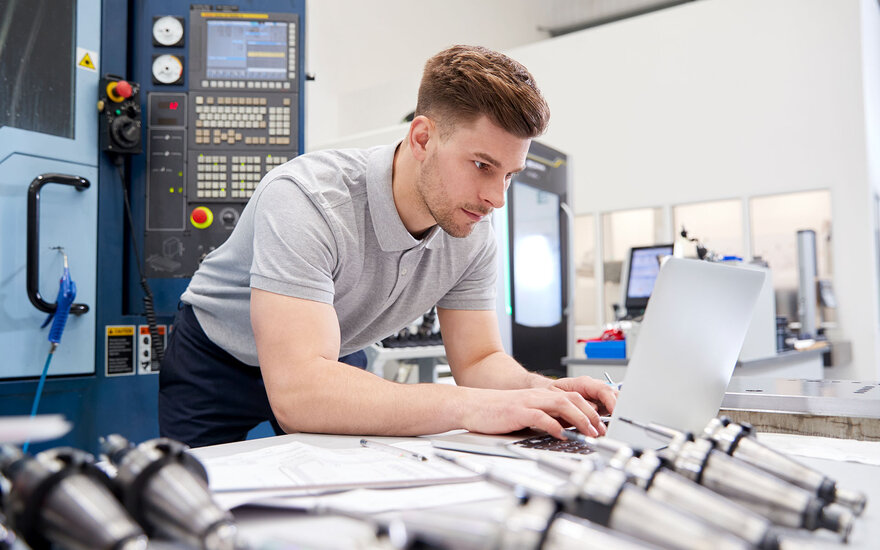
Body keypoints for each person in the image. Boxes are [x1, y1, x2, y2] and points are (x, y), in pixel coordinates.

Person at [159, 45, 617, 448]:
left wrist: (545, 393)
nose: (497, 198)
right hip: (217, 358)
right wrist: (466, 407)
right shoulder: (308, 198)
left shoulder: (474, 231)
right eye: (481, 165)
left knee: (344, 495)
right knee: (189, 500)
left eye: (509, 176)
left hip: (329, 355)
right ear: (422, 138)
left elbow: (479, 360)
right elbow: (300, 393)